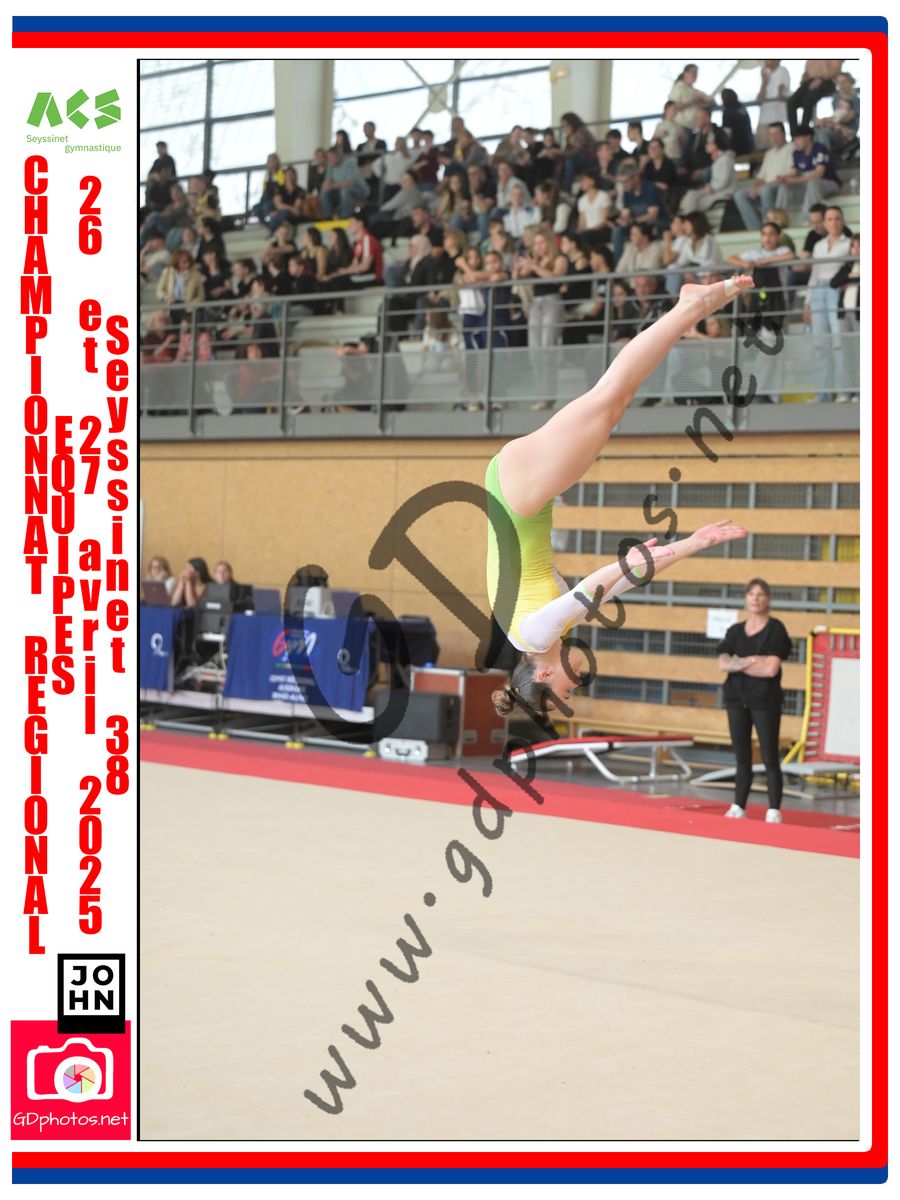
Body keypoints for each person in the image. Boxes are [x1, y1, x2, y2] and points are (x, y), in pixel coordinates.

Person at [486, 275, 753, 723]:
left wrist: (645, 557)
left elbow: (593, 586)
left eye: (567, 687)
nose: (577, 680)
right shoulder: (545, 630)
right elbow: (623, 582)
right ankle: (690, 308)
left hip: (519, 494)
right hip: (520, 492)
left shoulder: (534, 634)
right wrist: (691, 543)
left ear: (545, 674)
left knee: (611, 394)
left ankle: (691, 306)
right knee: (614, 400)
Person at [717, 578, 793, 823]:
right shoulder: (735, 631)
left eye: (760, 594)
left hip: (765, 701)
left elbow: (770, 669)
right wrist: (753, 660)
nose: (755, 599)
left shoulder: (776, 629)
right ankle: (738, 805)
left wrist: (739, 662)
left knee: (769, 756)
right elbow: (723, 663)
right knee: (742, 757)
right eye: (751, 594)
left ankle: (774, 809)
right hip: (736, 699)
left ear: (768, 598)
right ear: (745, 598)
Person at [805, 204, 852, 401]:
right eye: (830, 219)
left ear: (843, 221)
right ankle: (822, 394)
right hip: (818, 291)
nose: (834, 223)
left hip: (836, 290)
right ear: (824, 223)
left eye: (837, 218)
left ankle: (843, 391)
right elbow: (814, 274)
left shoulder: (849, 243)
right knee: (820, 344)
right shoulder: (818, 245)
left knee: (838, 343)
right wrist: (807, 302)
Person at [733, 122, 794, 230]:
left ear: (784, 134)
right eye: (771, 134)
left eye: (776, 134)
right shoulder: (769, 153)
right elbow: (761, 176)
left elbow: (789, 175)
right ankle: (755, 229)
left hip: (781, 186)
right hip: (766, 187)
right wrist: (755, 187)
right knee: (740, 195)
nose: (774, 138)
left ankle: (769, 227)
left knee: (766, 190)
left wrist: (763, 186)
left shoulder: (792, 148)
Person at [680, 129, 736, 215]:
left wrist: (710, 188)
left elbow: (723, 181)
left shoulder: (725, 159)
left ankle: (689, 220)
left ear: (717, 144)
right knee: (691, 194)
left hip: (724, 194)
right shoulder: (718, 160)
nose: (706, 145)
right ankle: (688, 220)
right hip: (715, 192)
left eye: (709, 143)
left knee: (695, 201)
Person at [787, 59, 843, 135]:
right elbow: (808, 70)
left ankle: (804, 132)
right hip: (810, 81)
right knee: (791, 102)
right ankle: (795, 134)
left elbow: (836, 69)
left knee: (808, 101)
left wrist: (821, 79)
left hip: (827, 81)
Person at [319, 145, 368, 220]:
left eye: (331, 157)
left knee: (345, 191)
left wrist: (332, 185)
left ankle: (344, 218)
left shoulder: (349, 163)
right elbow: (328, 181)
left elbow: (350, 183)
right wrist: (325, 185)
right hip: (340, 190)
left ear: (338, 155)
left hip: (360, 190)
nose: (329, 159)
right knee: (324, 192)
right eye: (328, 157)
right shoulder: (330, 165)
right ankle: (327, 218)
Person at [668, 64, 718, 128]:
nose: (695, 75)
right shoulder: (678, 88)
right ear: (685, 73)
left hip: (694, 127)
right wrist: (692, 101)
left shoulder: (695, 91)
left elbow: (713, 101)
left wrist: (703, 101)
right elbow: (673, 108)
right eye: (693, 72)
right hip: (681, 127)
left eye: (696, 73)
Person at [755, 60, 791, 147]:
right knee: (761, 145)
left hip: (776, 117)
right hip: (764, 118)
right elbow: (759, 99)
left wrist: (781, 93)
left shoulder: (782, 70)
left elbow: (781, 91)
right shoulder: (766, 73)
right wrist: (764, 82)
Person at [719, 88, 754, 157]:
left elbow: (726, 132)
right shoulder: (742, 108)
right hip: (749, 144)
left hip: (737, 147)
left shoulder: (727, 112)